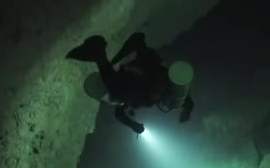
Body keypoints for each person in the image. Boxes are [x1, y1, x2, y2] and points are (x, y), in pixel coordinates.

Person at [66, 32, 195, 134]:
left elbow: (120, 112)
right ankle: (98, 53)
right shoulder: (154, 91)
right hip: (134, 73)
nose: (165, 104)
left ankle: (112, 51)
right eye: (169, 104)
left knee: (120, 92)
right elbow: (120, 108)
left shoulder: (158, 86)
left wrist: (133, 125)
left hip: (138, 69)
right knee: (117, 92)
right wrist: (132, 124)